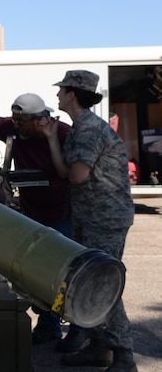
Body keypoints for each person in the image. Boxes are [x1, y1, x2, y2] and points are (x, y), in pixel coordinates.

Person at [42, 70, 137, 372]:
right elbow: (63, 172)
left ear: (72, 95)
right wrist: (50, 139)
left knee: (101, 286)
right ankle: (99, 348)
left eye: (61, 90)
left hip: (104, 218)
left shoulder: (89, 130)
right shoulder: (78, 127)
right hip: (89, 216)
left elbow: (78, 176)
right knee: (87, 283)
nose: (57, 95)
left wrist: (68, 166)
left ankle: (124, 357)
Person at [0, 93, 86, 352]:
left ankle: (79, 330)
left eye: (22, 121)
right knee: (40, 272)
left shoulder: (63, 133)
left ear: (39, 119)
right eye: (15, 121)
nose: (16, 126)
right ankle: (48, 325)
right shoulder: (14, 127)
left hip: (63, 213)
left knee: (69, 272)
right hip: (34, 215)